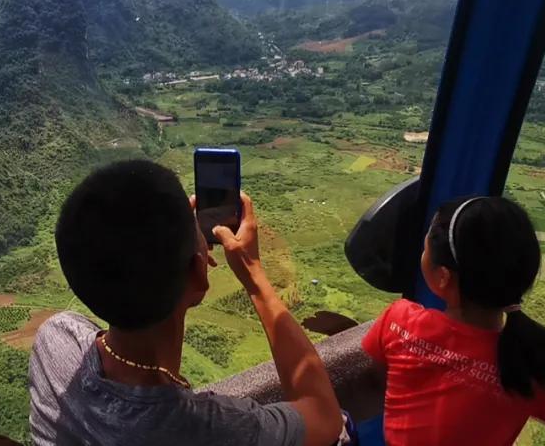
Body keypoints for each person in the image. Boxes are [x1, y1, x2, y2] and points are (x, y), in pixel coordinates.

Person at [29, 159, 343, 446]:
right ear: (197, 272)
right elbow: (325, 418)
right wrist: (255, 277)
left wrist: (179, 251)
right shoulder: (212, 430)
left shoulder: (54, 341)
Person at [362, 196, 545, 446]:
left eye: (425, 249)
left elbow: (379, 381)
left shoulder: (398, 321)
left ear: (442, 277)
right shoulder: (540, 364)